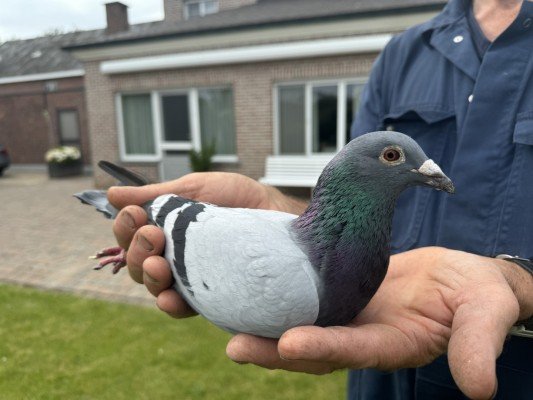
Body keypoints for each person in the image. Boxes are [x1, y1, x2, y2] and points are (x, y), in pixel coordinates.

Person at [106, 0, 533, 398]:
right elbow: (344, 187)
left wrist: (521, 284)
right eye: (392, 156)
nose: (430, 170)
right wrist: (272, 210)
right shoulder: (405, 53)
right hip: (378, 377)